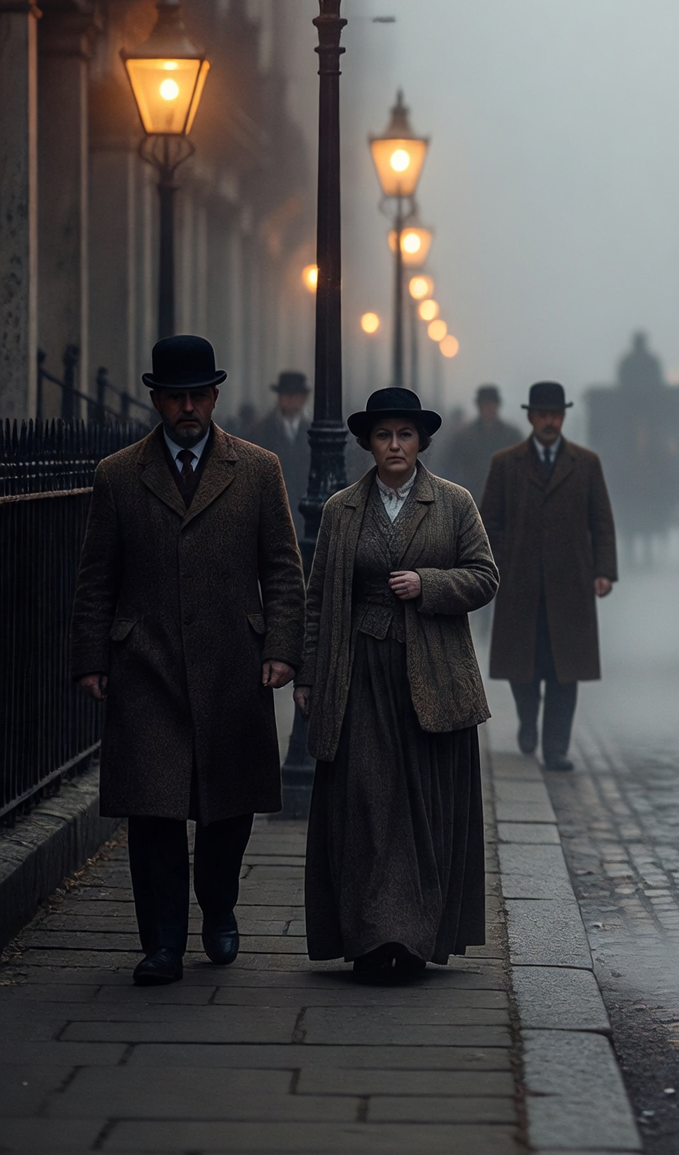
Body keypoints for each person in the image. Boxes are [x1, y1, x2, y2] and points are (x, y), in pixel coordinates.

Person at [68, 335, 304, 986]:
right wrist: (92, 657)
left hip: (234, 663)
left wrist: (283, 649)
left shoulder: (257, 470)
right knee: (155, 811)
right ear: (157, 399)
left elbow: (283, 570)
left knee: (228, 809)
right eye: (176, 396)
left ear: (216, 396)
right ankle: (163, 943)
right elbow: (96, 578)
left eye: (199, 394)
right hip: (147, 664)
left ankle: (219, 906)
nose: (189, 408)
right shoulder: (118, 475)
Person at [298, 387, 499, 983]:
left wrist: (430, 585)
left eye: (405, 436)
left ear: (421, 443)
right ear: (368, 443)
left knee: (422, 805)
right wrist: (308, 674)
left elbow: (485, 577)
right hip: (359, 671)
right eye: (384, 436)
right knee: (366, 803)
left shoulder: (455, 503)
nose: (394, 446)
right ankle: (368, 938)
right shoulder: (341, 510)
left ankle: (411, 940)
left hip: (431, 677)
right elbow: (316, 599)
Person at [483, 381, 618, 771]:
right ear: (529, 416)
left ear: (563, 417)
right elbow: (488, 521)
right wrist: (496, 565)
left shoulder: (585, 464)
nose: (548, 421)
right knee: (523, 667)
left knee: (565, 670)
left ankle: (555, 747)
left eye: (555, 414)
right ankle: (528, 719)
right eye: (541, 414)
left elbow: (602, 522)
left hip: (570, 583)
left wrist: (604, 571)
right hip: (519, 583)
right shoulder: (506, 464)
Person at [436, 383, 522, 498]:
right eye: (486, 405)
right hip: (471, 496)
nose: (489, 409)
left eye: (492, 405)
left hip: (503, 496)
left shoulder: (511, 435)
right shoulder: (464, 436)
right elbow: (449, 466)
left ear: (498, 406)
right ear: (479, 407)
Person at [241, 370, 312, 500]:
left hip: (304, 504)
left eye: (296, 395)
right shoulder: (261, 430)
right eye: (287, 394)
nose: (291, 400)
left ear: (303, 399)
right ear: (279, 397)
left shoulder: (312, 431)